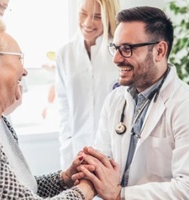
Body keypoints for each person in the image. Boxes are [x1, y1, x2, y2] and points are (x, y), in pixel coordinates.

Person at [0, 12, 96, 199]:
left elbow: (20, 190)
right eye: (19, 58)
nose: (24, 71)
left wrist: (64, 178)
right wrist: (88, 187)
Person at [76, 6, 189, 199]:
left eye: (127, 49)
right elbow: (102, 159)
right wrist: (89, 174)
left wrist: (121, 195)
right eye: (115, 48)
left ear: (159, 51)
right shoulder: (115, 100)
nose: (117, 59)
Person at [55, 0, 120, 170]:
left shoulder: (120, 53)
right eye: (83, 13)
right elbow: (63, 106)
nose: (87, 22)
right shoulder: (65, 54)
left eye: (97, 17)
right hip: (76, 149)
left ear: (109, 19)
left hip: (114, 151)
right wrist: (67, 142)